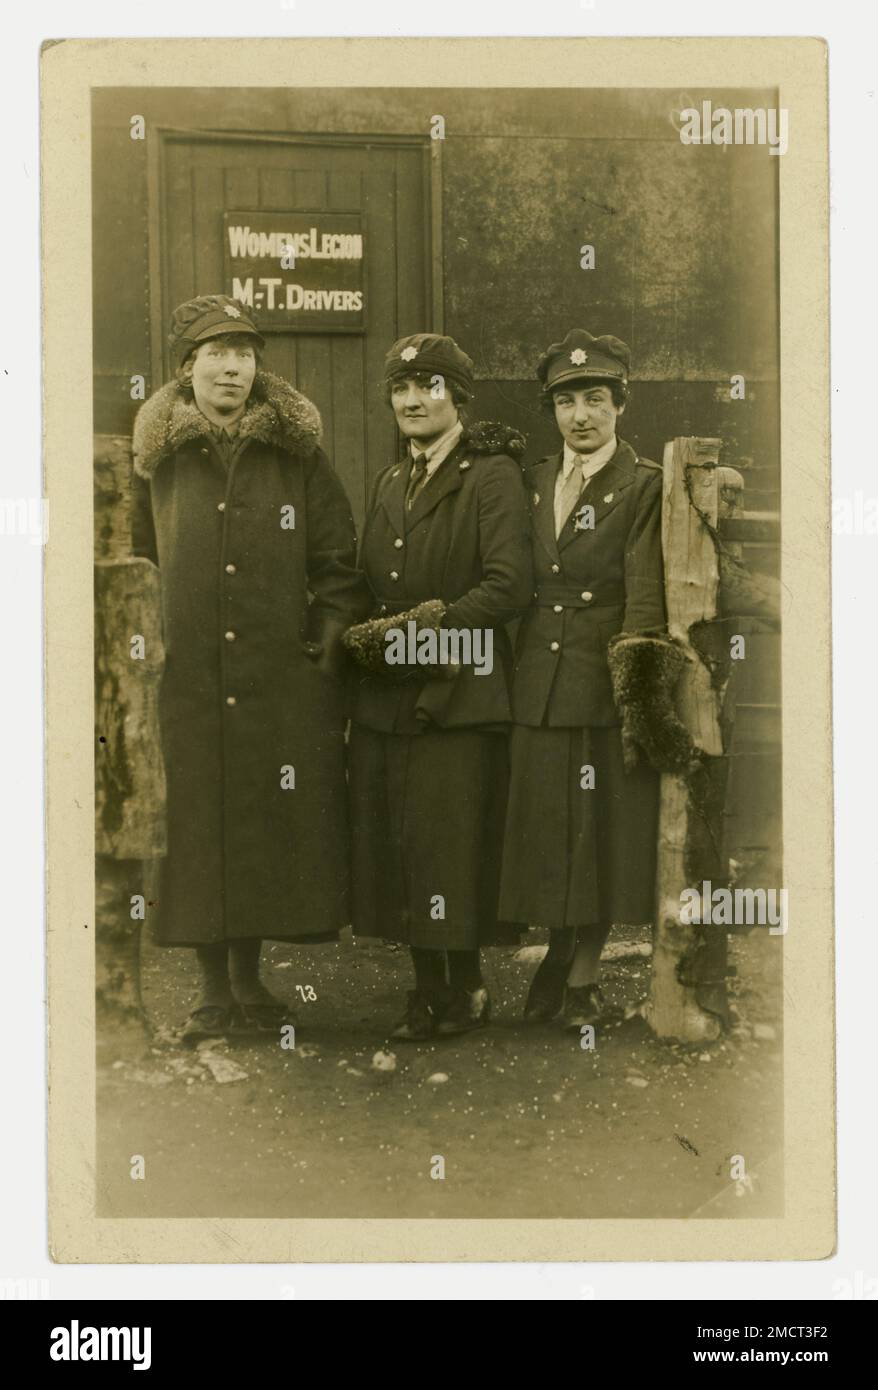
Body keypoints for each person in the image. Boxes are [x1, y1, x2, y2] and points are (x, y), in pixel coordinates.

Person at [131, 294, 369, 1045]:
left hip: (277, 681)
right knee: (198, 826)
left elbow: (336, 558)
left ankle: (248, 981)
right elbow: (128, 562)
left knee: (263, 826)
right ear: (187, 369)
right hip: (186, 682)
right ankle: (210, 989)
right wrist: (143, 653)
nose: (232, 367)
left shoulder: (296, 456)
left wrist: (327, 637)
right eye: (216, 354)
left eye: (244, 354)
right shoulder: (157, 464)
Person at [344, 333, 533, 1041]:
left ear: (459, 398)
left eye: (430, 387)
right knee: (400, 842)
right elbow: (370, 582)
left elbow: (508, 587)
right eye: (402, 388)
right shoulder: (392, 481)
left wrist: (421, 637)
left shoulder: (490, 476)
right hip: (388, 700)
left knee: (447, 841)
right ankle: (435, 987)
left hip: (460, 694)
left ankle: (455, 989)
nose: (413, 400)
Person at [499, 328, 671, 1031]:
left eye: (596, 399)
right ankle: (557, 958)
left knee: (600, 835)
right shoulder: (533, 479)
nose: (581, 416)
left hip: (601, 685)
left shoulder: (644, 485)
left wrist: (635, 691)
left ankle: (580, 981)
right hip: (537, 685)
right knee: (548, 831)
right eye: (568, 401)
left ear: (620, 406)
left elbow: (645, 596)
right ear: (553, 410)